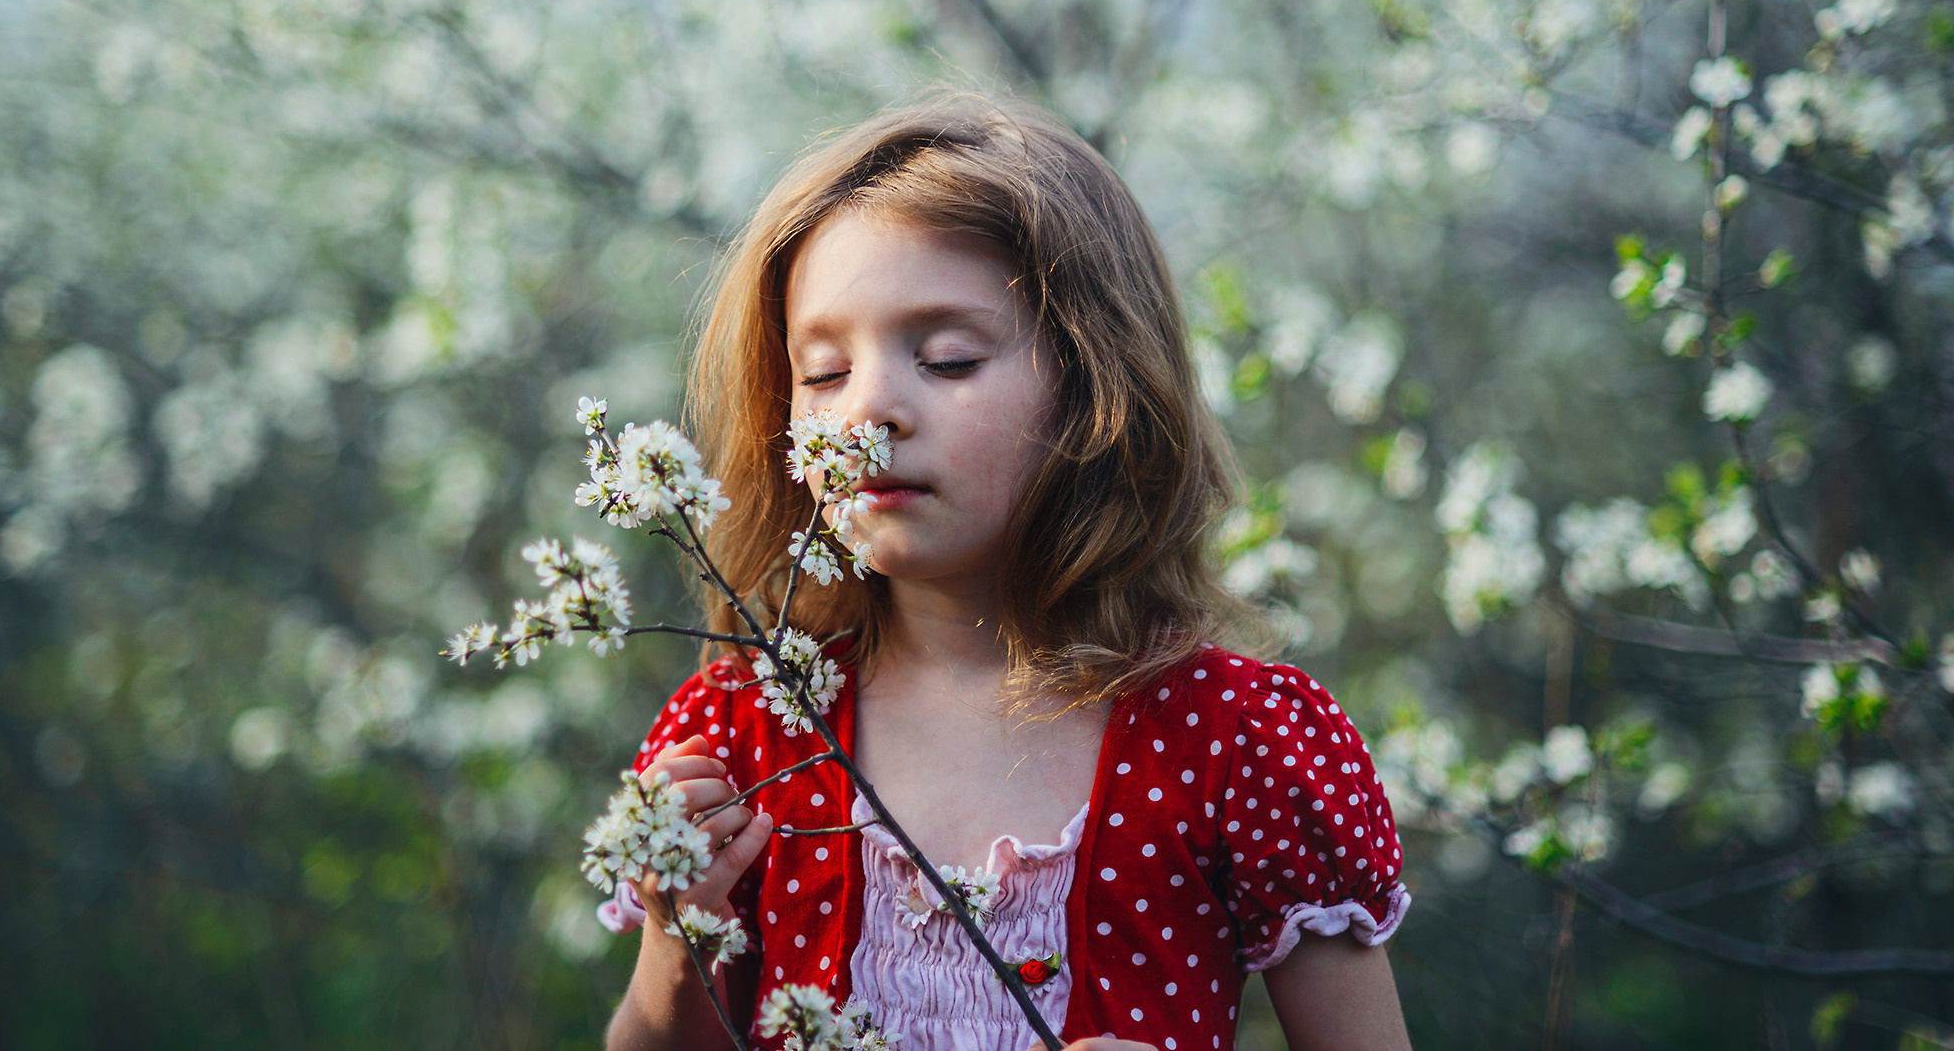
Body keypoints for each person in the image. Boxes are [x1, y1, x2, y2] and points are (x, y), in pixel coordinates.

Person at [601, 92, 1412, 1051]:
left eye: (947, 359)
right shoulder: (746, 736)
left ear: (1095, 384)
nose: (870, 411)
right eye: (822, 373)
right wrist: (672, 934)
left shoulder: (1238, 741)